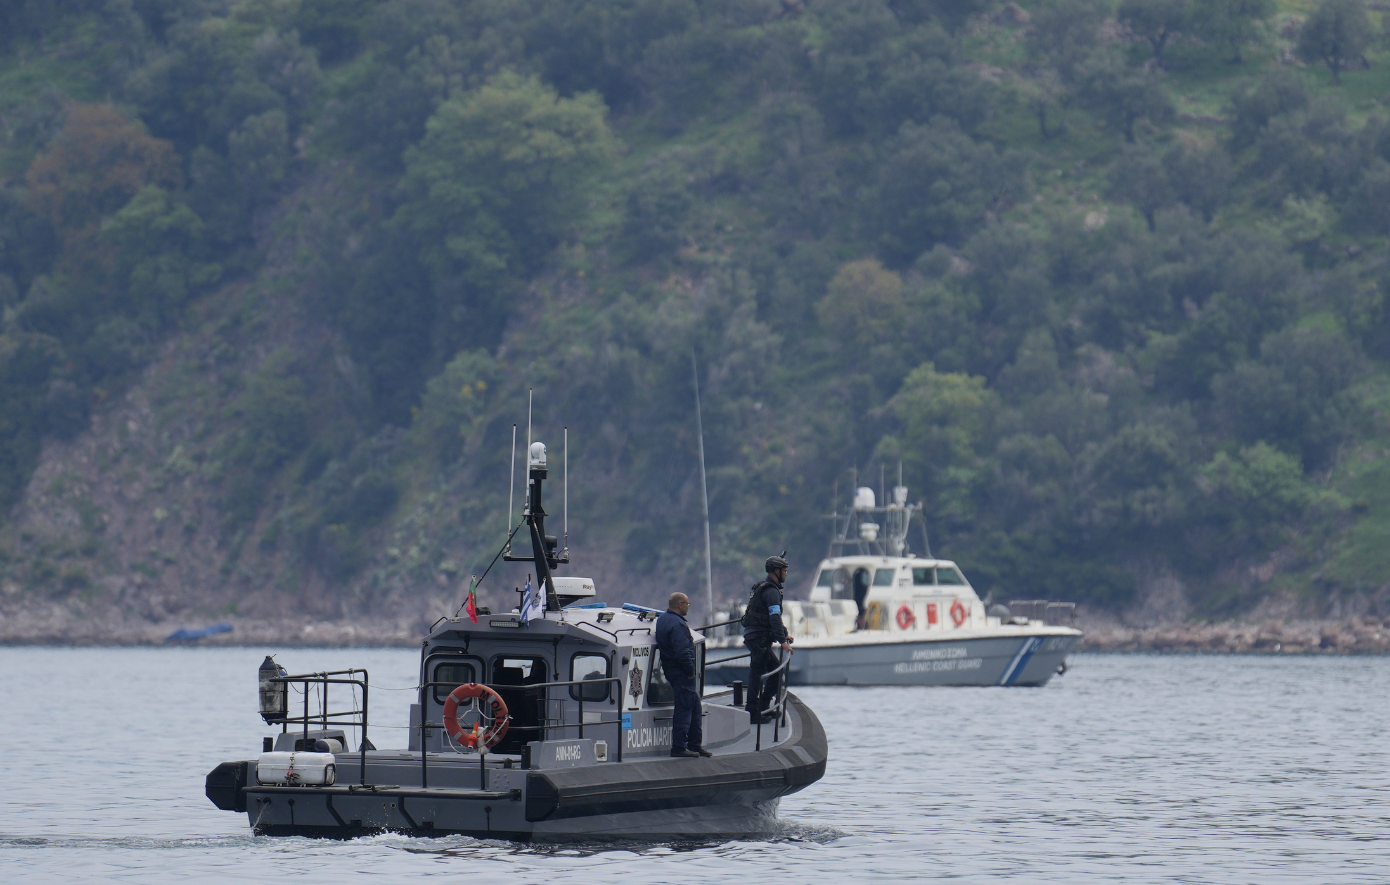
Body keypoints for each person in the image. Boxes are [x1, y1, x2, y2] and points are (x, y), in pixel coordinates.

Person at [655, 592, 710, 758]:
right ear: (680, 605)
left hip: (672, 670)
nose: (688, 607)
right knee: (684, 708)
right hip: (681, 672)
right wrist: (690, 671)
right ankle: (679, 747)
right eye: (687, 604)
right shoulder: (677, 624)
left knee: (694, 706)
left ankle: (694, 744)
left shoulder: (663, 619)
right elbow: (682, 651)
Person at [742, 554, 794, 723]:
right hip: (758, 638)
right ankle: (752, 711)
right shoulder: (771, 592)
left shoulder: (768, 589)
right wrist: (783, 642)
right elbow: (774, 618)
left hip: (757, 636)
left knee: (775, 673)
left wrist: (784, 634)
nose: (786, 574)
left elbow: (773, 618)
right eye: (784, 571)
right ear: (776, 572)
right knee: (757, 673)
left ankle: (763, 707)